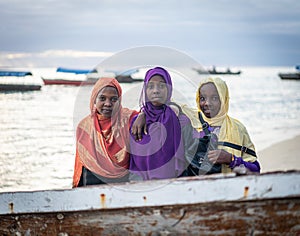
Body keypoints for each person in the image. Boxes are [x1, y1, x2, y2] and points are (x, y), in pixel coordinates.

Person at [182, 77, 260, 175]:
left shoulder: (238, 129)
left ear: (224, 99)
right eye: (203, 98)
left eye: (214, 98)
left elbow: (256, 169)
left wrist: (231, 159)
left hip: (228, 187)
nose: (207, 103)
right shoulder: (191, 121)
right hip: (193, 188)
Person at [72, 77, 140, 187]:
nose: (108, 104)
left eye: (113, 99)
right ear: (94, 100)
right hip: (91, 178)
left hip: (123, 181)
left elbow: (153, 114)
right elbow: (82, 162)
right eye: (102, 98)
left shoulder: (129, 118)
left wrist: (143, 115)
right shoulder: (84, 126)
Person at [129, 67, 190, 180]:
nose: (156, 90)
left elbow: (189, 158)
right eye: (150, 86)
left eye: (161, 86)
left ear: (169, 89)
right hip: (143, 189)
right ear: (145, 91)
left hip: (174, 187)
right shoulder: (136, 124)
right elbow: (133, 165)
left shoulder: (181, 121)